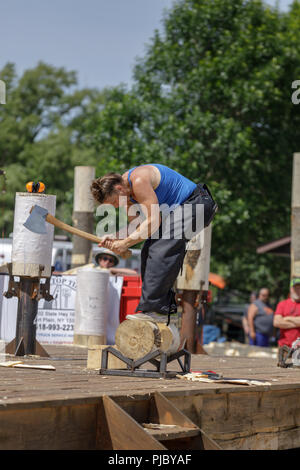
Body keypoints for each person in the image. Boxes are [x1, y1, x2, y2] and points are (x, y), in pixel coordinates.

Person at [90, 163, 217, 323]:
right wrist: (116, 237)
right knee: (148, 250)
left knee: (162, 247)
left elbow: (153, 221)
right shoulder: (125, 194)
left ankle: (156, 310)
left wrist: (125, 243)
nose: (116, 206)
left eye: (115, 202)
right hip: (180, 210)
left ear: (119, 189)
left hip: (198, 203)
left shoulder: (138, 181)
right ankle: (161, 308)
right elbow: (138, 226)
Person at [273, 278, 300, 348]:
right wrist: (297, 323)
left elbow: (280, 321)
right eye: (296, 288)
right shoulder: (282, 304)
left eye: (299, 288)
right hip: (284, 347)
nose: (298, 291)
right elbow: (276, 322)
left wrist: (287, 318)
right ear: (291, 289)